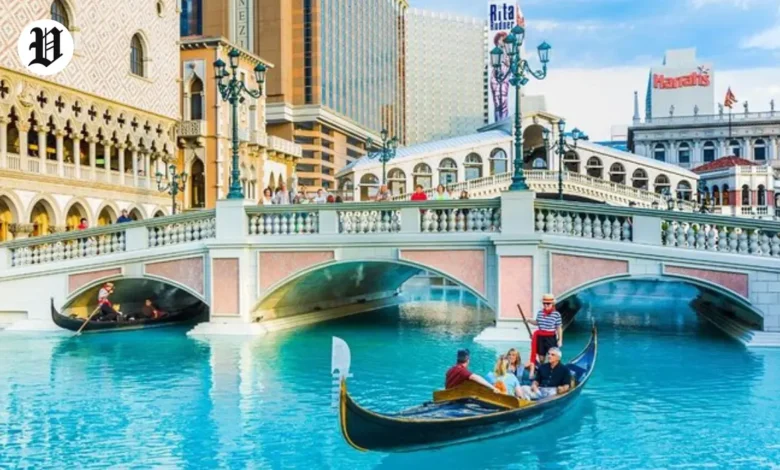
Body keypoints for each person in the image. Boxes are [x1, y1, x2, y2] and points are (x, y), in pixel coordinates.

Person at [525, 293, 563, 364]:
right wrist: (529, 320)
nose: (546, 305)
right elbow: (537, 322)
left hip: (551, 338)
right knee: (541, 358)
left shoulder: (556, 314)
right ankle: (542, 367)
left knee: (552, 357)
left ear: (552, 304)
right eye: (544, 303)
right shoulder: (540, 313)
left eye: (548, 303)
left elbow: (559, 327)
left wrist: (560, 340)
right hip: (540, 338)